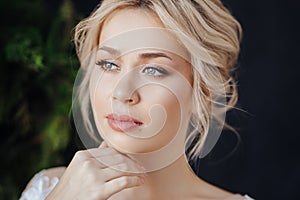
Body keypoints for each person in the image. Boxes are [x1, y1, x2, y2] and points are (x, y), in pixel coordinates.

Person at [20, 0, 254, 199]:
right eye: (109, 65)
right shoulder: (50, 188)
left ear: (203, 90)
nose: (122, 93)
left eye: (153, 70)